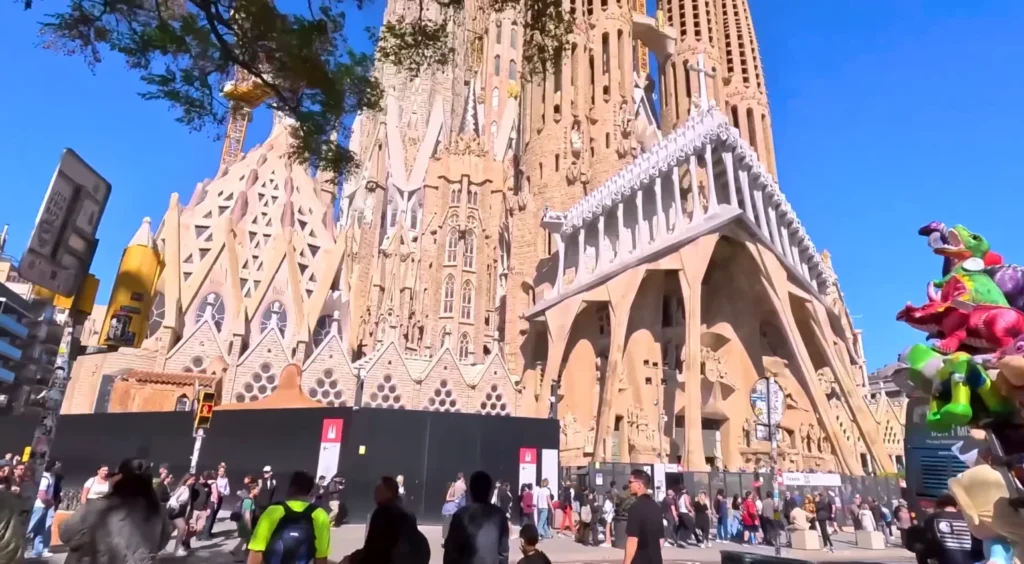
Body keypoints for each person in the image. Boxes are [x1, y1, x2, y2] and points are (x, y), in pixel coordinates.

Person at [59, 458, 172, 562]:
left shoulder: (98, 506)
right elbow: (162, 542)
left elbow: (66, 534)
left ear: (120, 478)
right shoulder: (157, 511)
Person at [247, 471, 332, 564]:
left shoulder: (273, 510)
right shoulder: (320, 514)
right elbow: (321, 556)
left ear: (290, 489)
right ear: (310, 492)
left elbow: (256, 550)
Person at [344, 476, 428, 564]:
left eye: (378, 490)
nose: (375, 493)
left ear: (388, 492)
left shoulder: (383, 512)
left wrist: (351, 559)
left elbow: (373, 550)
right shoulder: (406, 511)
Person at [444, 470, 510, 564]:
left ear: (470, 489)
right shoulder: (499, 515)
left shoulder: (460, 515)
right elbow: (503, 553)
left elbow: (450, 552)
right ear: (490, 490)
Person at [911, 493, 982, 564]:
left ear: (938, 506)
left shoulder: (931, 519)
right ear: (958, 505)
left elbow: (918, 546)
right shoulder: (973, 520)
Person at [622, 469, 663, 564]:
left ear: (639, 485)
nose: (629, 485)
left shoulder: (635, 507)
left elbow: (632, 539)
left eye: (630, 482)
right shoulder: (656, 506)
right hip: (656, 559)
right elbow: (661, 539)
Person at [27, 458, 61, 558]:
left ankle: (38, 551)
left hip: (45, 506)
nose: (59, 467)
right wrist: (50, 503)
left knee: (41, 529)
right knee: (29, 529)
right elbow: (42, 494)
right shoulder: (45, 478)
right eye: (58, 464)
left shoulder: (52, 476)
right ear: (53, 466)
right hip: (39, 506)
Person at [231, 481, 259, 563]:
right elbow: (247, 514)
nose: (258, 491)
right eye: (257, 490)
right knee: (247, 541)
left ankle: (238, 554)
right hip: (244, 523)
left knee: (244, 540)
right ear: (252, 490)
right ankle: (239, 555)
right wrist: (249, 526)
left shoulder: (251, 499)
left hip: (244, 523)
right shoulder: (248, 501)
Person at [167, 473, 194, 556]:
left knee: (171, 530)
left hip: (179, 511)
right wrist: (177, 507)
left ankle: (163, 546)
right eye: (192, 479)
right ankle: (177, 549)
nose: (193, 481)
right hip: (176, 511)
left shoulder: (185, 488)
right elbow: (174, 498)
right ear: (187, 479)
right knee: (182, 527)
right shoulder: (183, 488)